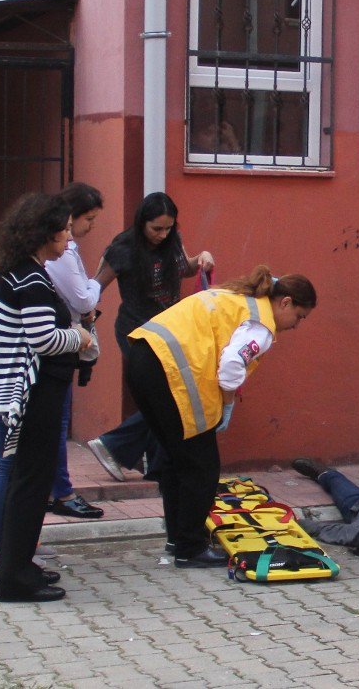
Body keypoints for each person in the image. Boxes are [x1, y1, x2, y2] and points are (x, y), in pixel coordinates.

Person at [125, 268, 315, 568]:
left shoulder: (238, 297)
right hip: (169, 372)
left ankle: (179, 539)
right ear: (286, 303)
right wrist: (227, 402)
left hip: (143, 356)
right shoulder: (261, 324)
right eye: (300, 316)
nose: (297, 325)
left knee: (178, 460)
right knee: (202, 467)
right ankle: (190, 547)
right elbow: (230, 365)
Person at [0, 193, 93, 602]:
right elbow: (43, 339)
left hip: (26, 393)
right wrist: (79, 336)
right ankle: (12, 579)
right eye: (62, 229)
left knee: (28, 481)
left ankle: (19, 565)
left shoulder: (24, 273)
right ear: (43, 233)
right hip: (30, 395)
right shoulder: (28, 278)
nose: (67, 236)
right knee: (29, 483)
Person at [85, 192, 214, 482]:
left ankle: (158, 465)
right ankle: (114, 446)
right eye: (157, 228)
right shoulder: (124, 247)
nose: (163, 234)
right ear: (142, 222)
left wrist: (201, 259)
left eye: (168, 228)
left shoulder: (173, 241)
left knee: (169, 396)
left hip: (168, 331)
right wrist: (84, 320)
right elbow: (94, 287)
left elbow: (184, 268)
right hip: (136, 333)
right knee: (164, 398)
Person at [42, 182, 106, 519]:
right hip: (54, 352)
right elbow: (82, 298)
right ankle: (61, 492)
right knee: (55, 422)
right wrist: (98, 283)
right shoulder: (60, 256)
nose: (75, 234)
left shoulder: (66, 251)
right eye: (85, 221)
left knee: (56, 423)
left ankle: (55, 490)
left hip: (62, 344)